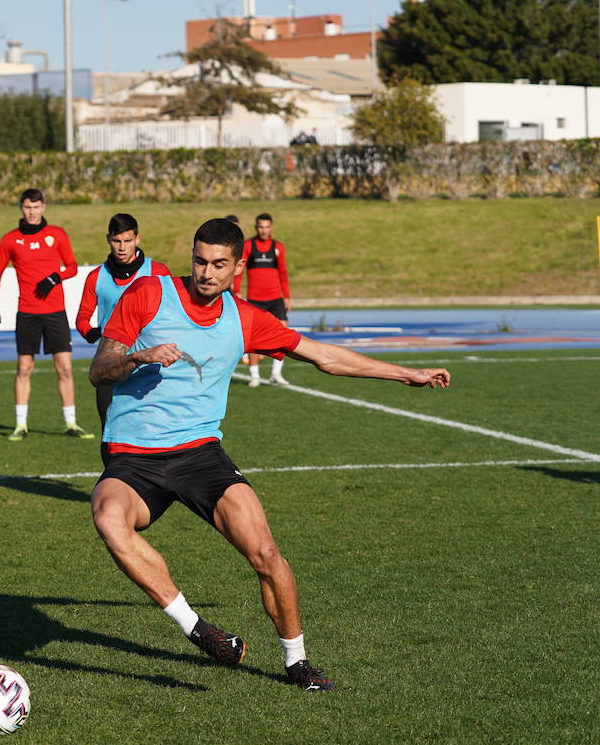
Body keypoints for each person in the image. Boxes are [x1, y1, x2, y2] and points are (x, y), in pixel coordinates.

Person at [89, 218, 450, 693]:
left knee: (264, 552)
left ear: (237, 267)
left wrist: (406, 374)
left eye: (219, 264)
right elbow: (99, 369)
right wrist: (139, 356)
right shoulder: (148, 294)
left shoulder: (245, 319)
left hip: (199, 454)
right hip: (133, 456)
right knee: (108, 519)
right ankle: (196, 628)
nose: (206, 273)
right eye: (199, 261)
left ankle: (297, 662)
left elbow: (324, 356)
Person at [0, 188, 91, 440]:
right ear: (21, 208)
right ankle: (20, 425)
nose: (32, 212)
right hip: (27, 313)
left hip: (55, 312)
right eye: (27, 207)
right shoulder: (10, 240)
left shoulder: (57, 235)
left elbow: (73, 267)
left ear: (43, 207)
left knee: (64, 368)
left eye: (36, 207)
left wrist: (55, 277)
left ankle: (72, 423)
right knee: (24, 368)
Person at [75, 212, 172, 458]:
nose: (122, 247)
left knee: (153, 433)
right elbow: (82, 317)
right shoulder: (97, 277)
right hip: (111, 364)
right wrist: (91, 332)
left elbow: (173, 311)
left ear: (137, 239)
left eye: (127, 241)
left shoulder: (158, 271)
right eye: (117, 241)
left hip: (149, 366)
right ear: (108, 239)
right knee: (109, 436)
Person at [234, 212, 291, 387]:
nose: (264, 230)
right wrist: (237, 290)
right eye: (261, 227)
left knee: (283, 333)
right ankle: (255, 376)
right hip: (255, 299)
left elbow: (283, 272)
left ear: (271, 227)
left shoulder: (278, 247)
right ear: (256, 227)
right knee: (254, 336)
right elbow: (240, 270)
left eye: (267, 227)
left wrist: (287, 296)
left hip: (275, 298)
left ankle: (276, 373)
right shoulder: (248, 246)